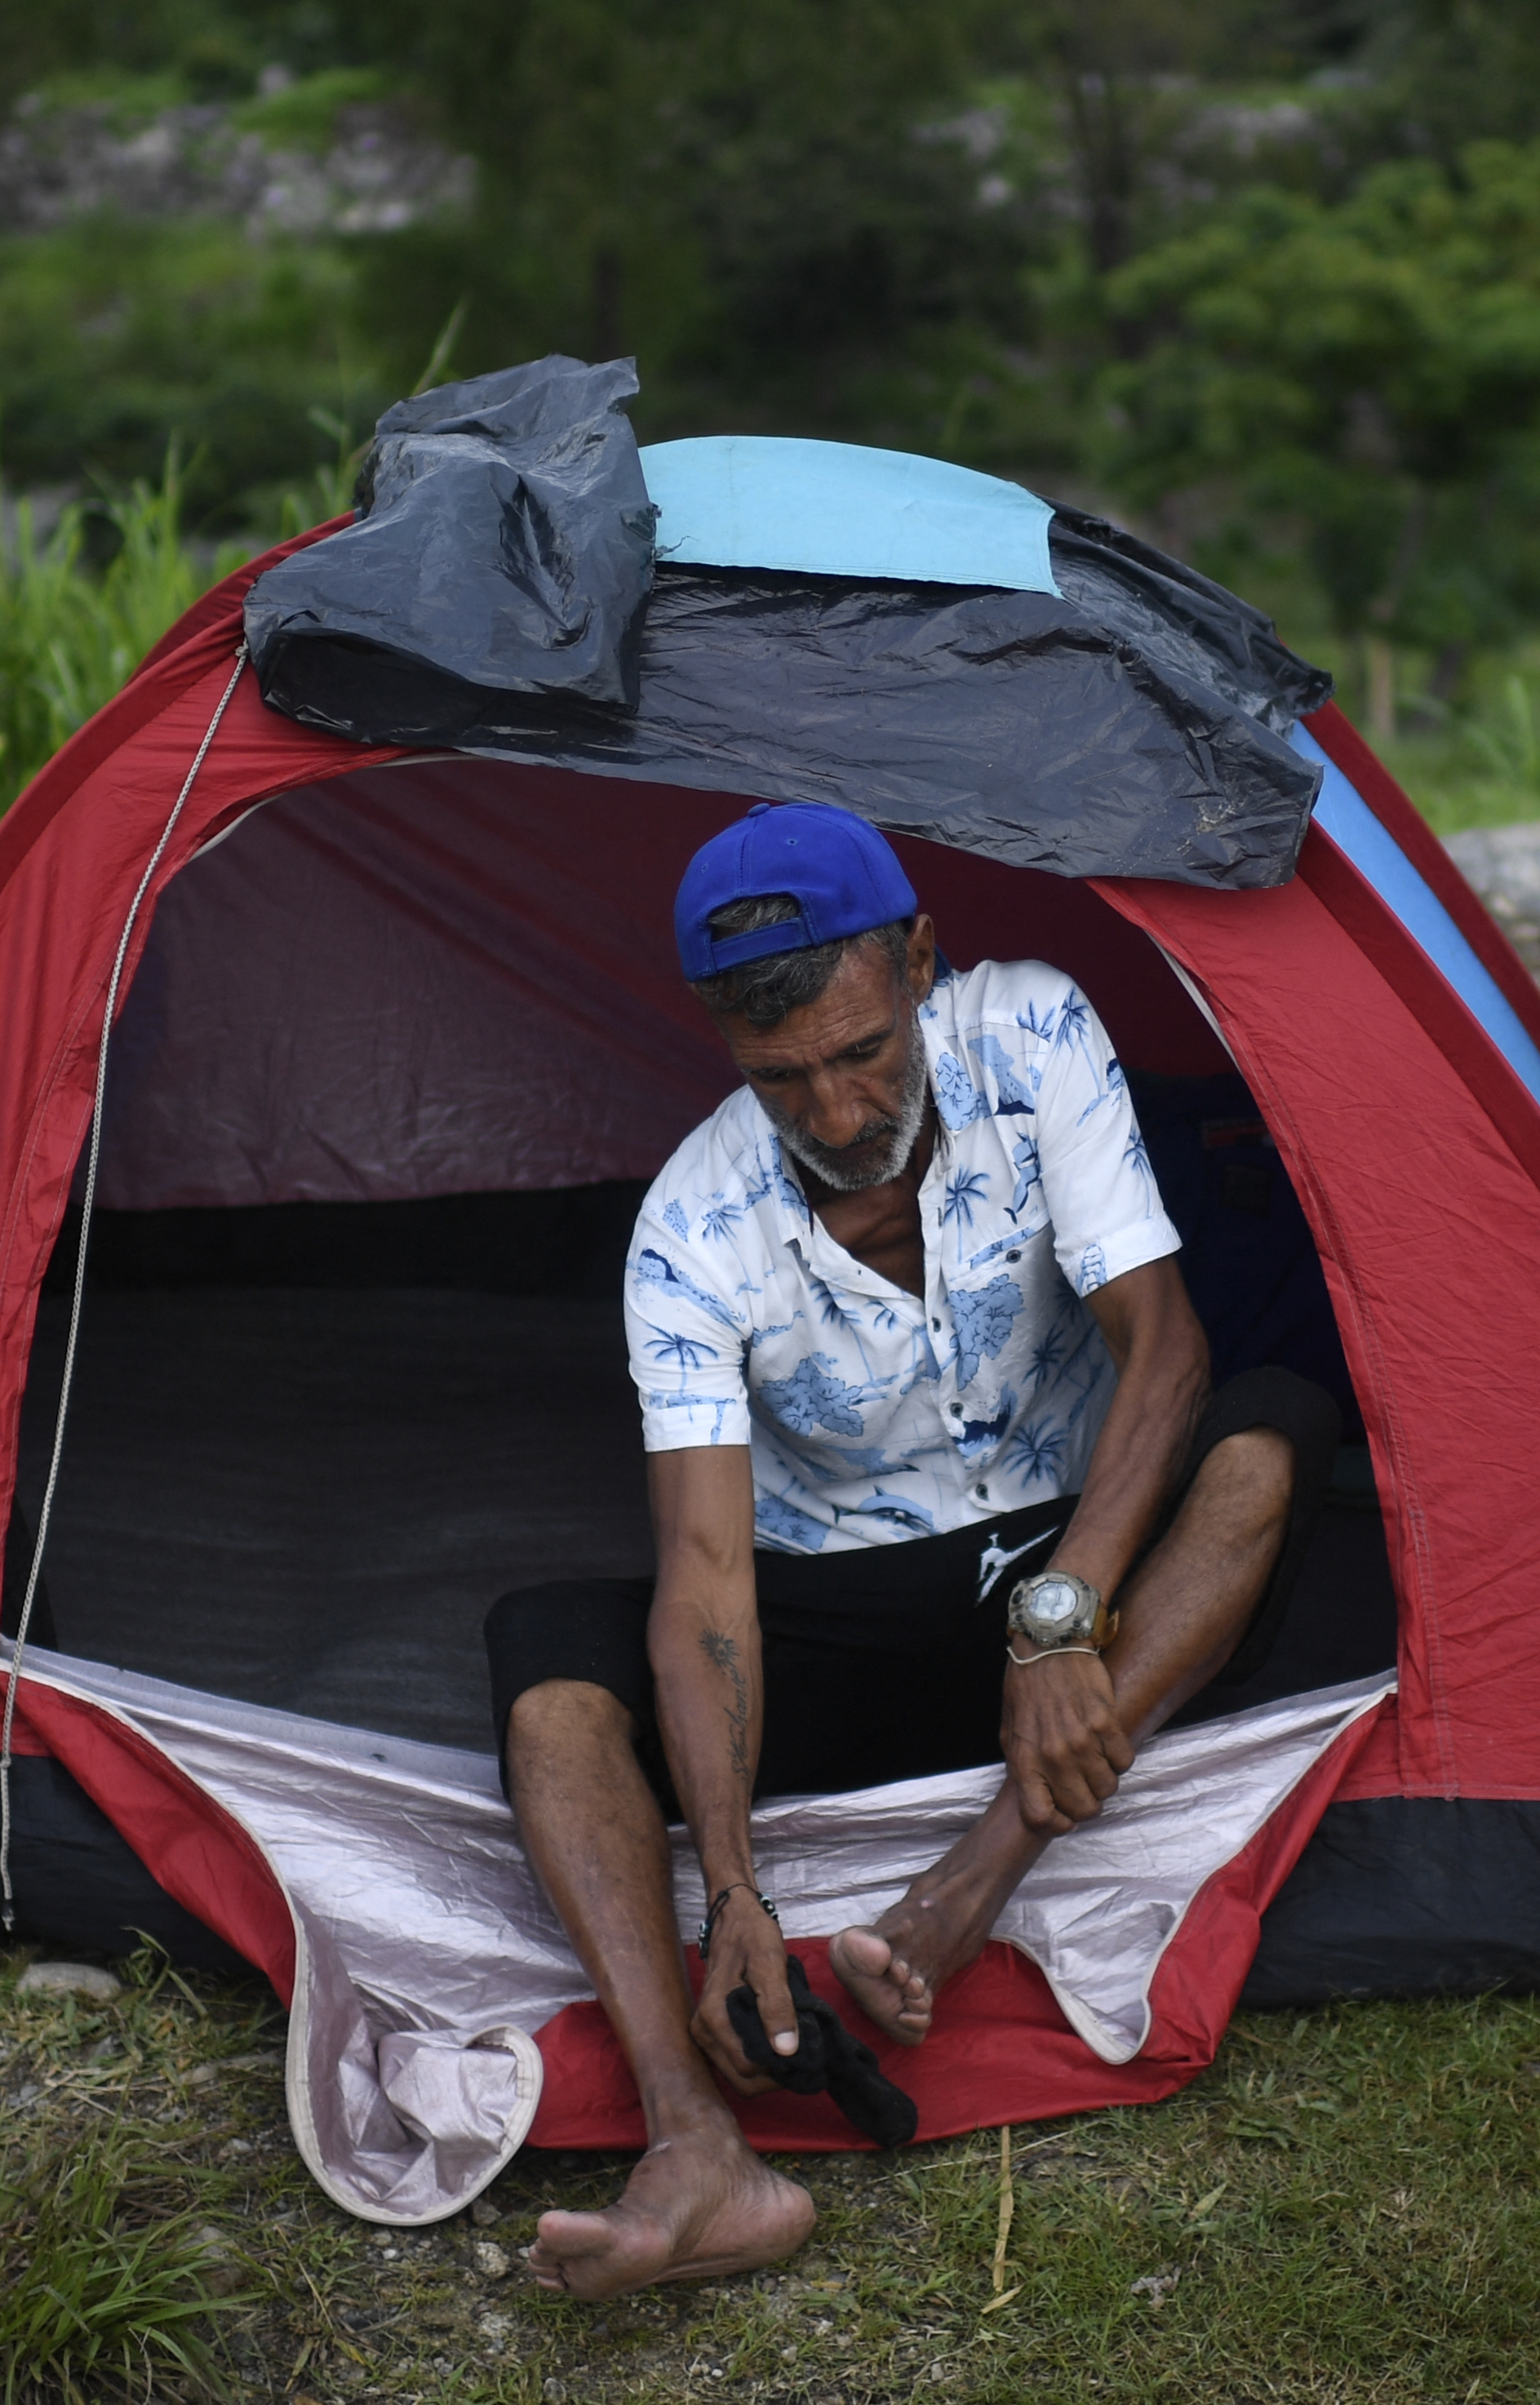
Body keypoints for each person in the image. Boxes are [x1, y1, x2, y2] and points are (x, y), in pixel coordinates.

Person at [487, 801, 1342, 2300]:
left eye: (861, 1050)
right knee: (550, 1657)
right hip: (855, 1603)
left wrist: (1060, 1618)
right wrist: (735, 1888)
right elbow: (702, 1577)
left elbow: (1166, 1350)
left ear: (922, 962)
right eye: (780, 1078)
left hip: (1097, 1561)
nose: (831, 1113)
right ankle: (695, 2150)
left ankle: (968, 1887)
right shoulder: (691, 1226)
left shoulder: (1029, 1030)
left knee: (1269, 1430)